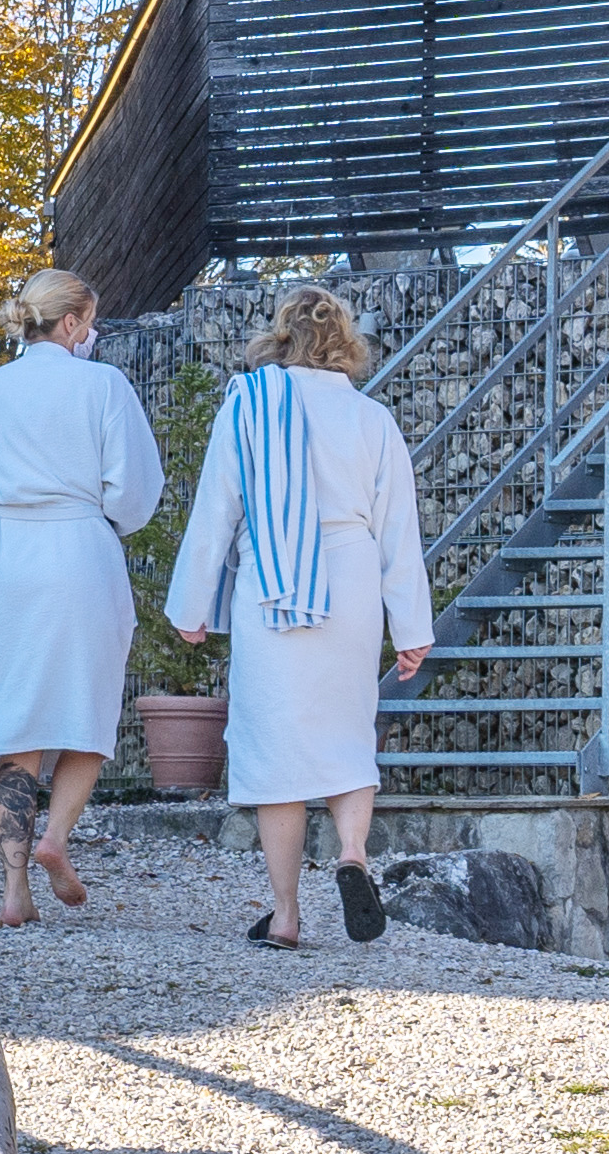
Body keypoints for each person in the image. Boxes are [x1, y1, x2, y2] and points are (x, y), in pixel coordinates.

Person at [161, 283, 433, 947]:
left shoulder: (248, 410)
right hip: (353, 583)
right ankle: (351, 855)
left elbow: (215, 511)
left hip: (273, 589)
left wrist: (191, 605)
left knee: (272, 750)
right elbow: (400, 532)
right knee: (345, 735)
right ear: (344, 341)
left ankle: (285, 915)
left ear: (281, 337)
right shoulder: (373, 421)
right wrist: (412, 629)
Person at [0, 267, 163, 927]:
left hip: (7, 559)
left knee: (16, 717)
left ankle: (15, 892)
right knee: (86, 706)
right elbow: (133, 488)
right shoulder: (103, 385)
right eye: (89, 322)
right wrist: (100, 517)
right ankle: (55, 839)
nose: (91, 334)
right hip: (78, 554)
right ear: (71, 323)